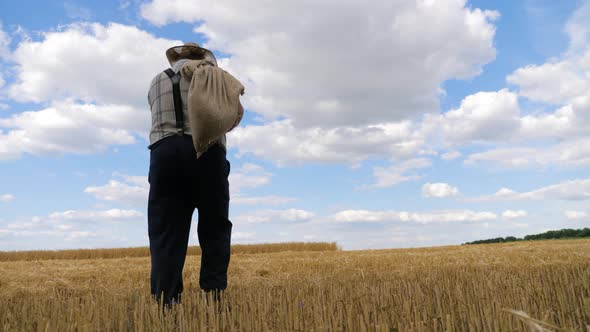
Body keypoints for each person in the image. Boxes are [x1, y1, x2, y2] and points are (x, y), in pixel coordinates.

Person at [147, 42, 236, 306]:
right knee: (215, 227)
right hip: (206, 150)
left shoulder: (155, 81)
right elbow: (231, 115)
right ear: (202, 57)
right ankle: (214, 296)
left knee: (166, 231)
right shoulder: (212, 75)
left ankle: (167, 300)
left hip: (163, 153)